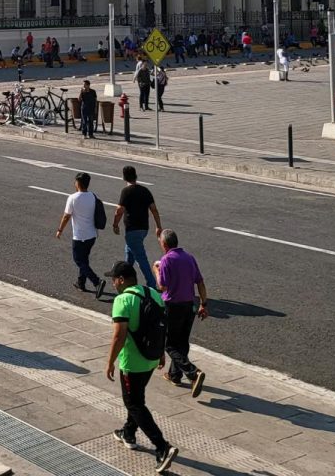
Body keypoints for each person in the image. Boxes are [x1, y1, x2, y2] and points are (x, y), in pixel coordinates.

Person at [104, 261, 179, 472]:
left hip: (133, 362)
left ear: (121, 280)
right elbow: (162, 327)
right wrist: (162, 353)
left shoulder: (122, 300)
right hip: (152, 358)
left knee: (134, 403)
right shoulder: (152, 293)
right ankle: (128, 433)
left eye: (113, 279)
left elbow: (119, 336)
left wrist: (110, 361)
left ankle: (162, 447)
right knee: (137, 398)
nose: (112, 283)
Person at [152, 230, 208, 397]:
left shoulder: (166, 260)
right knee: (182, 343)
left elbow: (162, 286)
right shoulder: (189, 257)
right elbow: (200, 281)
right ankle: (174, 375)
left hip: (172, 306)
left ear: (165, 244)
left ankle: (193, 373)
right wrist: (204, 304)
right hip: (189, 305)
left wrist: (156, 269)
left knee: (170, 344)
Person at [112, 165, 161, 288]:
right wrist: (158, 226)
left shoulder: (126, 191)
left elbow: (119, 211)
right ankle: (126, 279)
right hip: (143, 228)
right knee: (129, 256)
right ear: (136, 176)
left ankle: (151, 284)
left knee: (141, 258)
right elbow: (154, 210)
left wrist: (115, 224)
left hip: (132, 230)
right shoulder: (144, 190)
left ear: (124, 177)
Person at [55, 172, 102, 293]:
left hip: (80, 236)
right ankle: (81, 283)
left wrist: (60, 230)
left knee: (78, 260)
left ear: (78, 183)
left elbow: (66, 216)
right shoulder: (93, 196)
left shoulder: (73, 198)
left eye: (75, 181)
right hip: (92, 235)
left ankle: (97, 281)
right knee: (84, 260)